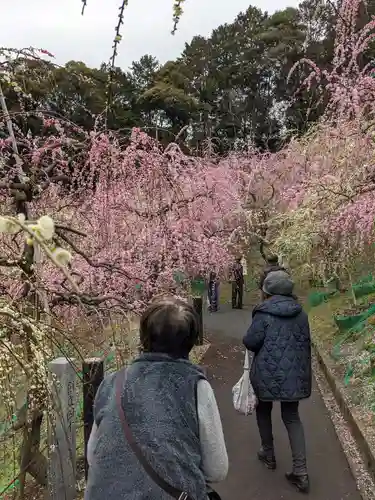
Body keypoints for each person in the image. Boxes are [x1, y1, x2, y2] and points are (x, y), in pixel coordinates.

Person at [85, 295, 228, 500]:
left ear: (144, 336)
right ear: (192, 340)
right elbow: (217, 469)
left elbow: (93, 456)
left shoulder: (111, 383)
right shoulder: (196, 386)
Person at [243, 270, 311, 493]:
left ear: (267, 292)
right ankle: (300, 471)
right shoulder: (301, 313)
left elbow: (251, 342)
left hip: (266, 373)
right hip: (294, 375)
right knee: (292, 417)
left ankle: (268, 454)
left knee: (263, 410)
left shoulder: (263, 314)